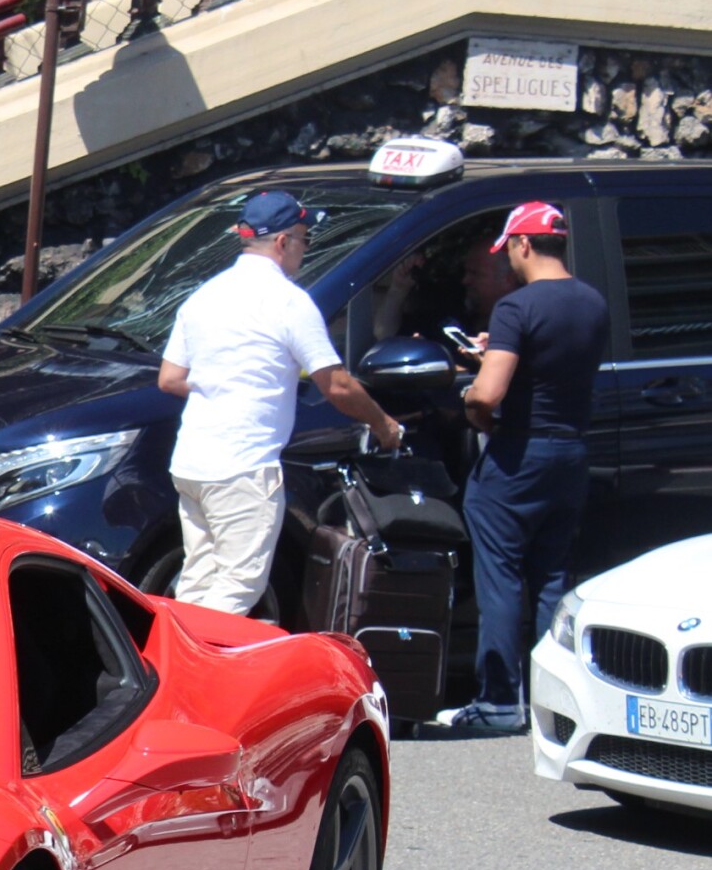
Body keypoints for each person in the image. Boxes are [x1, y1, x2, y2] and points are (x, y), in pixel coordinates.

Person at [157, 190, 403, 615]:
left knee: (197, 583)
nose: (304, 253)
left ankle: (172, 667)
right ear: (283, 242)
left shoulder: (202, 297)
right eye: (305, 241)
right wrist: (384, 425)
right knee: (236, 589)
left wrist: (224, 385)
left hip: (192, 463)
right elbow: (338, 386)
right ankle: (203, 676)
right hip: (244, 466)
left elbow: (170, 379)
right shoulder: (290, 302)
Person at [437, 202, 610, 734]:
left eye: (509, 248)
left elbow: (489, 395)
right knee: (551, 578)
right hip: (570, 452)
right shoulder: (593, 302)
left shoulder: (515, 307)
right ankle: (550, 702)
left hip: (517, 455)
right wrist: (498, 352)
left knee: (501, 578)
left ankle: (496, 704)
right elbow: (552, 365)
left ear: (524, 245)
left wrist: (474, 407)